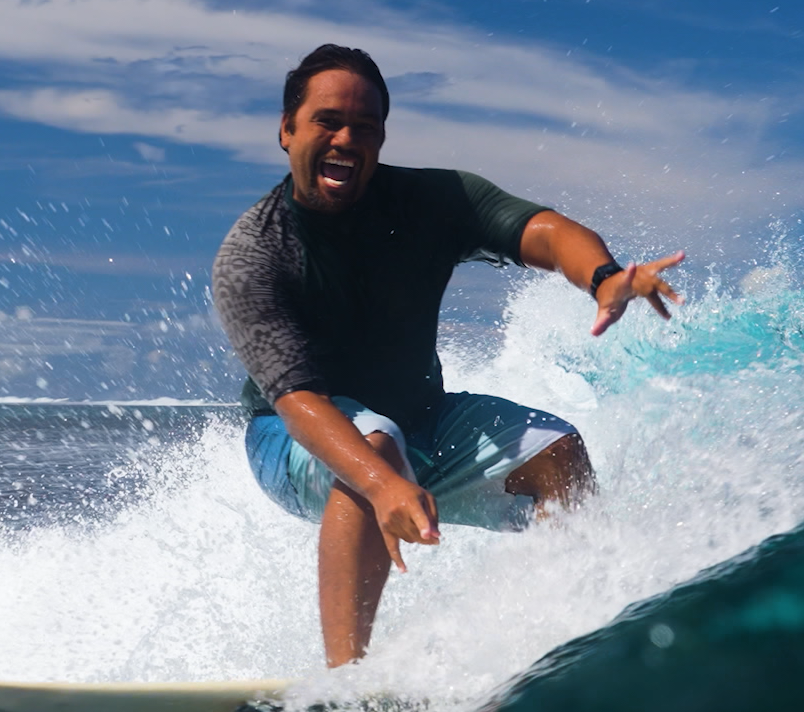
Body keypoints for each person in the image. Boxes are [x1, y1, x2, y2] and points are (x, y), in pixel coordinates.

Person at [212, 44, 684, 668]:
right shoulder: (254, 254)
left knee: (557, 453)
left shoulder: (432, 203)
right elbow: (299, 401)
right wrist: (382, 482)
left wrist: (601, 276)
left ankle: (563, 638)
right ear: (286, 129)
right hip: (292, 436)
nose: (346, 139)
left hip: (423, 420)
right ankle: (345, 689)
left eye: (366, 127)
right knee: (372, 450)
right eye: (328, 121)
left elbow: (540, 230)